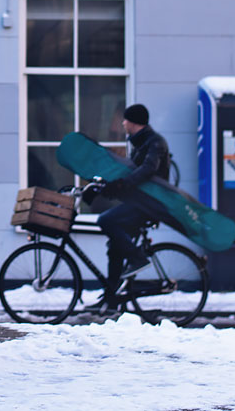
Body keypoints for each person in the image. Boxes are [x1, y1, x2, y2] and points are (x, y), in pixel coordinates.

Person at [89, 104, 171, 313]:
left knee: (105, 220)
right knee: (115, 248)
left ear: (134, 122)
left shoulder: (155, 143)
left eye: (125, 120)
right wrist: (105, 187)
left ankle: (137, 258)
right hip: (140, 202)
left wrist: (121, 185)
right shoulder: (141, 143)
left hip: (150, 204)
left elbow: (148, 170)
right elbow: (127, 173)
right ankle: (111, 298)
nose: (123, 123)